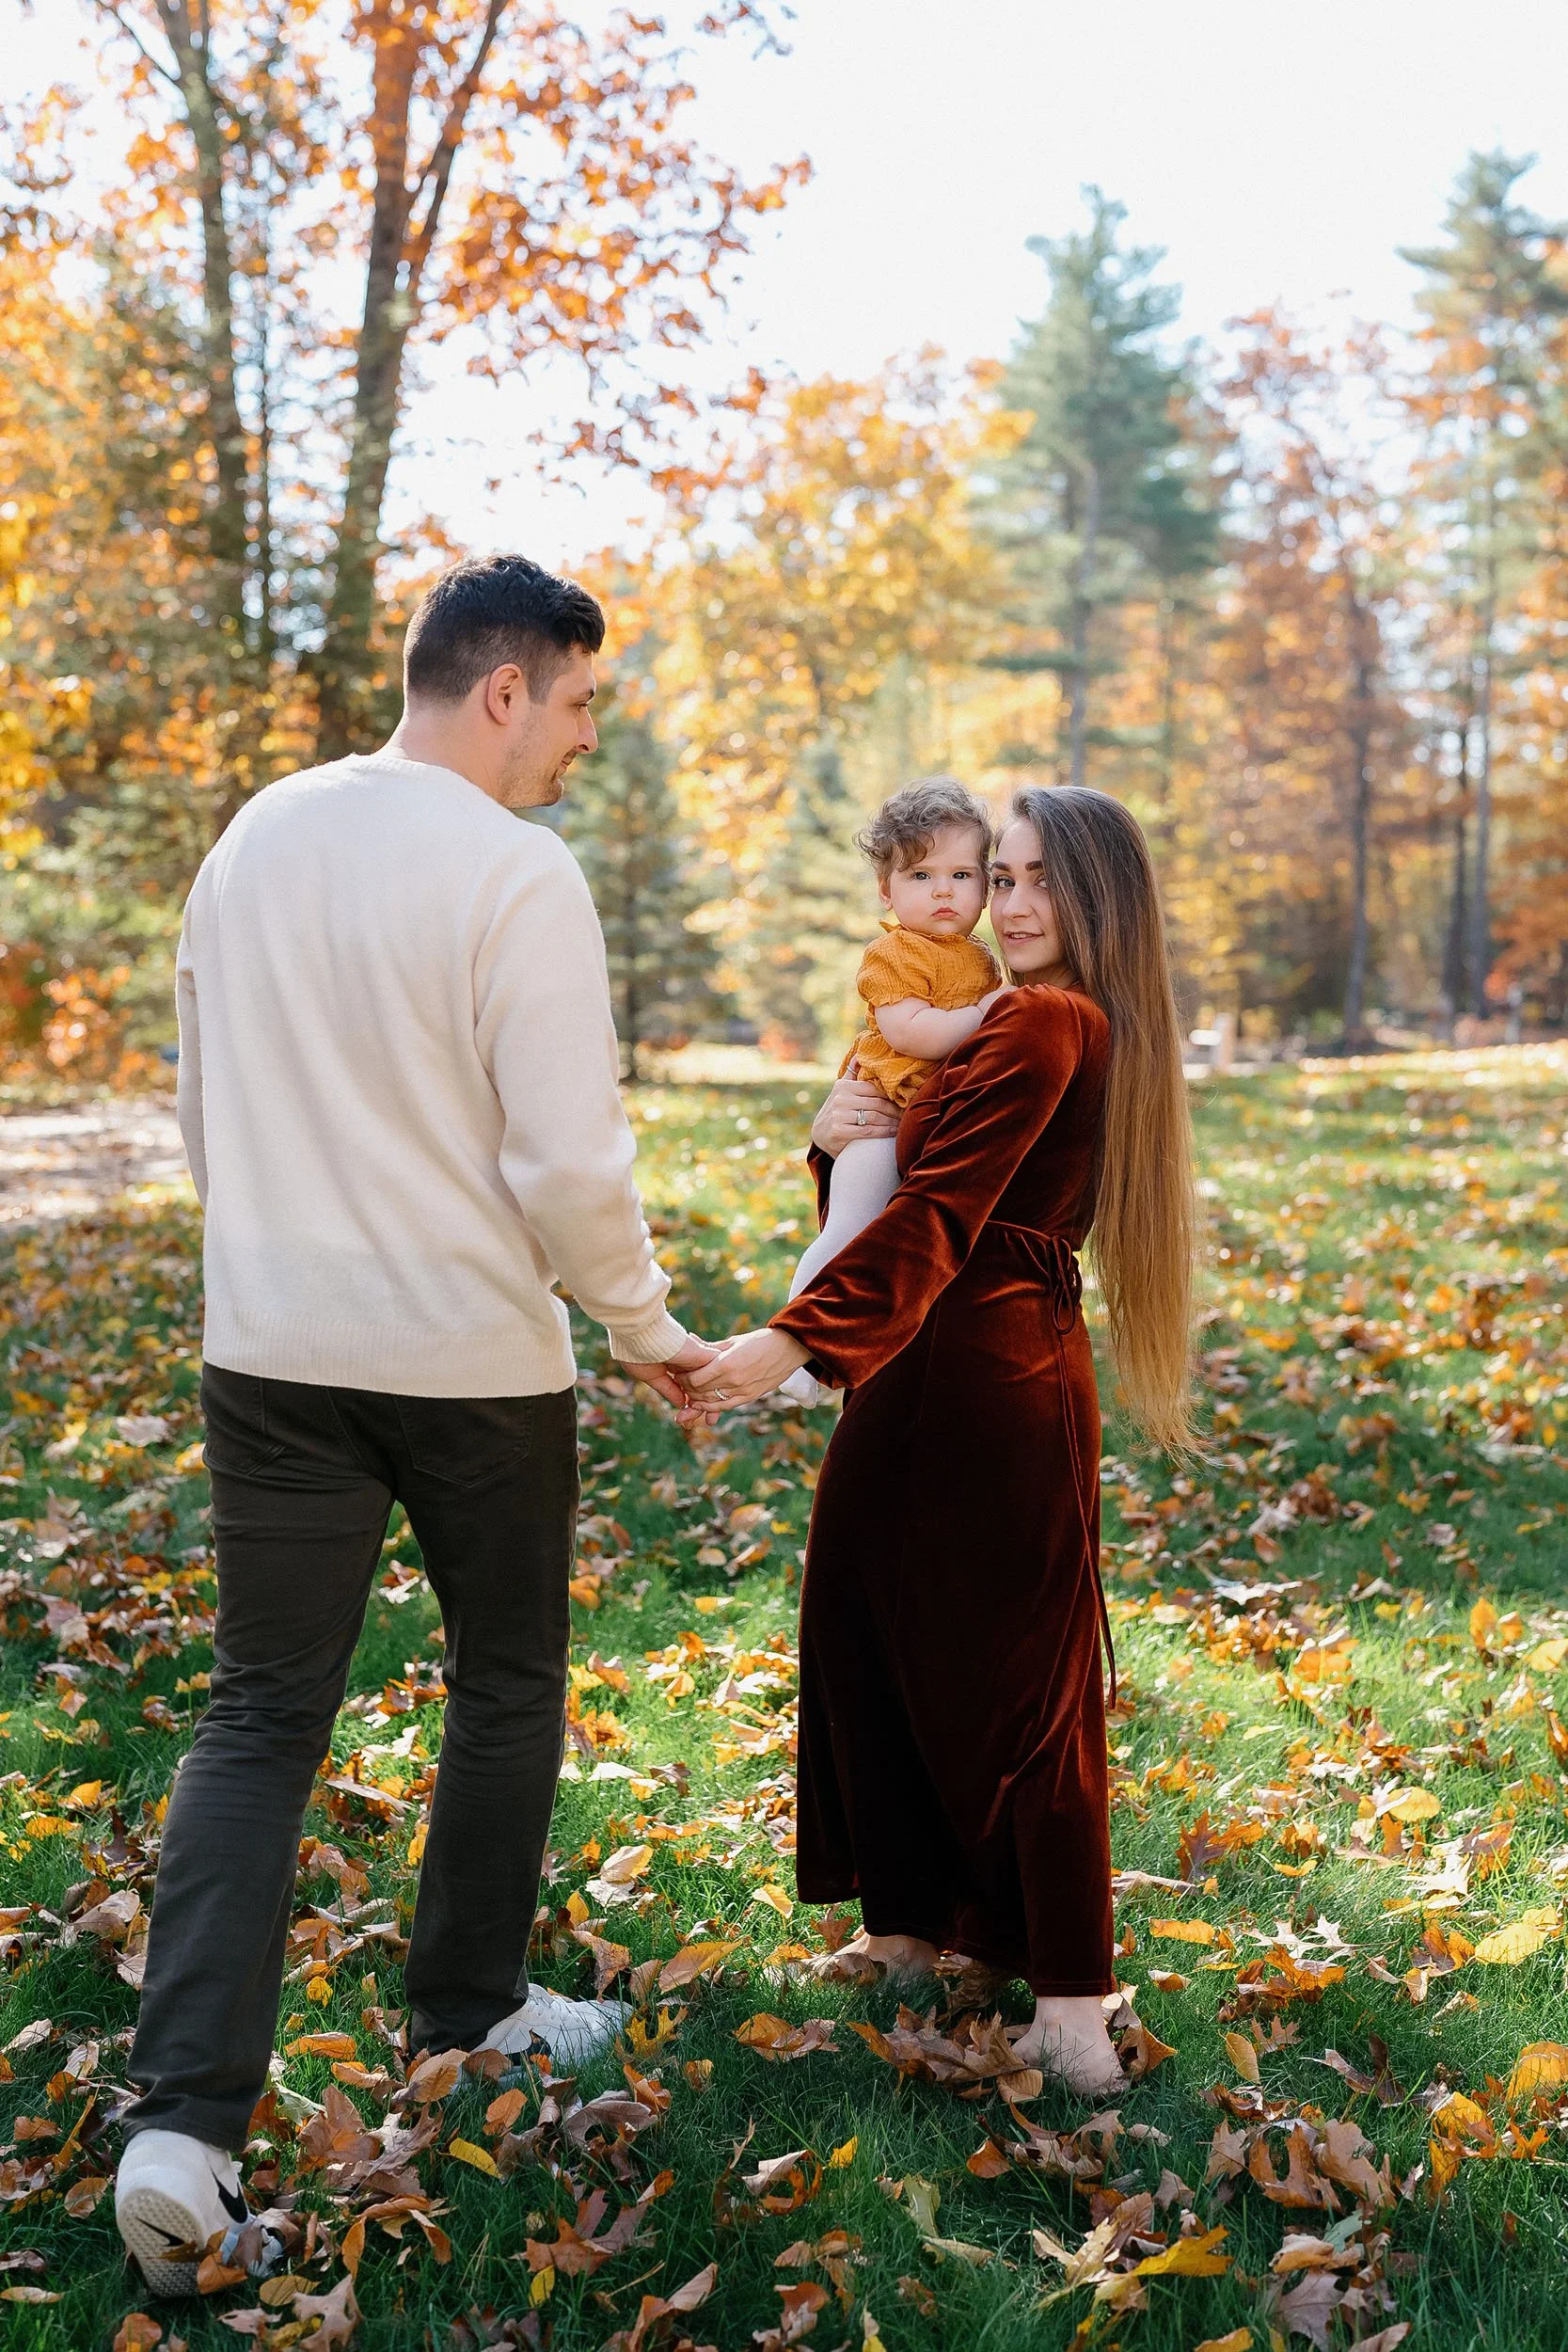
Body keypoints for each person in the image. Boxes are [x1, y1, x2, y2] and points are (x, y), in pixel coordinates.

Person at [115, 555, 713, 2296]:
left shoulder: (257, 832)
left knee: (258, 1711)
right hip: (469, 1367)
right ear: (505, 687)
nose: (588, 740)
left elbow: (202, 1093)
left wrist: (260, 1263)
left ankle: (181, 2131)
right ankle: (468, 2006)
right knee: (507, 1676)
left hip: (274, 1348)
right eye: (584, 702)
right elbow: (567, 1160)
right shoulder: (515, 873)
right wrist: (644, 1325)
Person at [687, 785, 1196, 2097]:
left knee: (1020, 1692)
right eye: (1000, 880)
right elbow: (909, 1181)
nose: (1010, 906)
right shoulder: (997, 1012)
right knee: (868, 1632)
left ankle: (1074, 2011)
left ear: (1089, 903)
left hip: (992, 1378)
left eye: (1035, 883)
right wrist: (830, 1143)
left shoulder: (1046, 1018)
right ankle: (910, 1929)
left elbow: (946, 1214)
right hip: (917, 1365)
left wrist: (792, 1341)